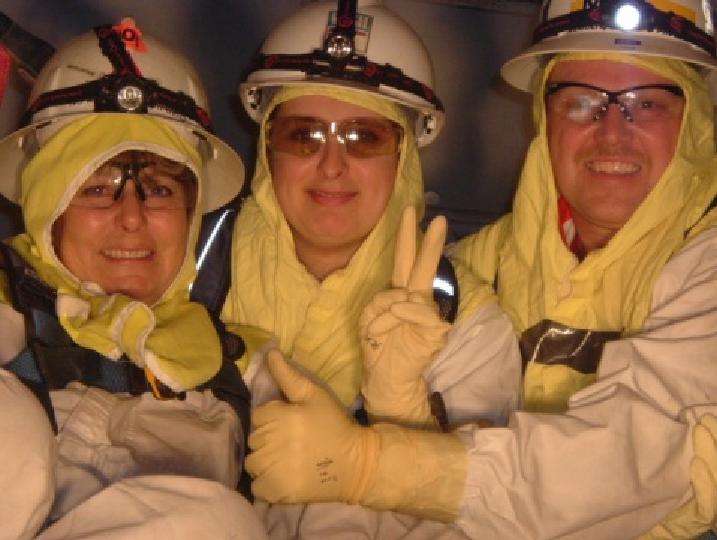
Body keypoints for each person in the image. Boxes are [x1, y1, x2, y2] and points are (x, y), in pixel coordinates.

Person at [245, 0, 717, 537]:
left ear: (694, 122)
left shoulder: (708, 262)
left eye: (647, 105)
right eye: (581, 103)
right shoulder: (473, 272)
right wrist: (412, 417)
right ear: (544, 116)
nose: (612, 133)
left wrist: (371, 464)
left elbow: (644, 451)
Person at [0, 20, 269, 540]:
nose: (131, 217)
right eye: (96, 188)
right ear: (45, 204)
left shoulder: (242, 366)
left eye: (162, 190)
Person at [222, 0, 519, 416]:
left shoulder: (463, 318)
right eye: (303, 135)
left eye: (364, 138)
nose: (331, 166)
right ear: (269, 147)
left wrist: (403, 424)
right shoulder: (190, 268)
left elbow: (480, 476)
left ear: (405, 159)